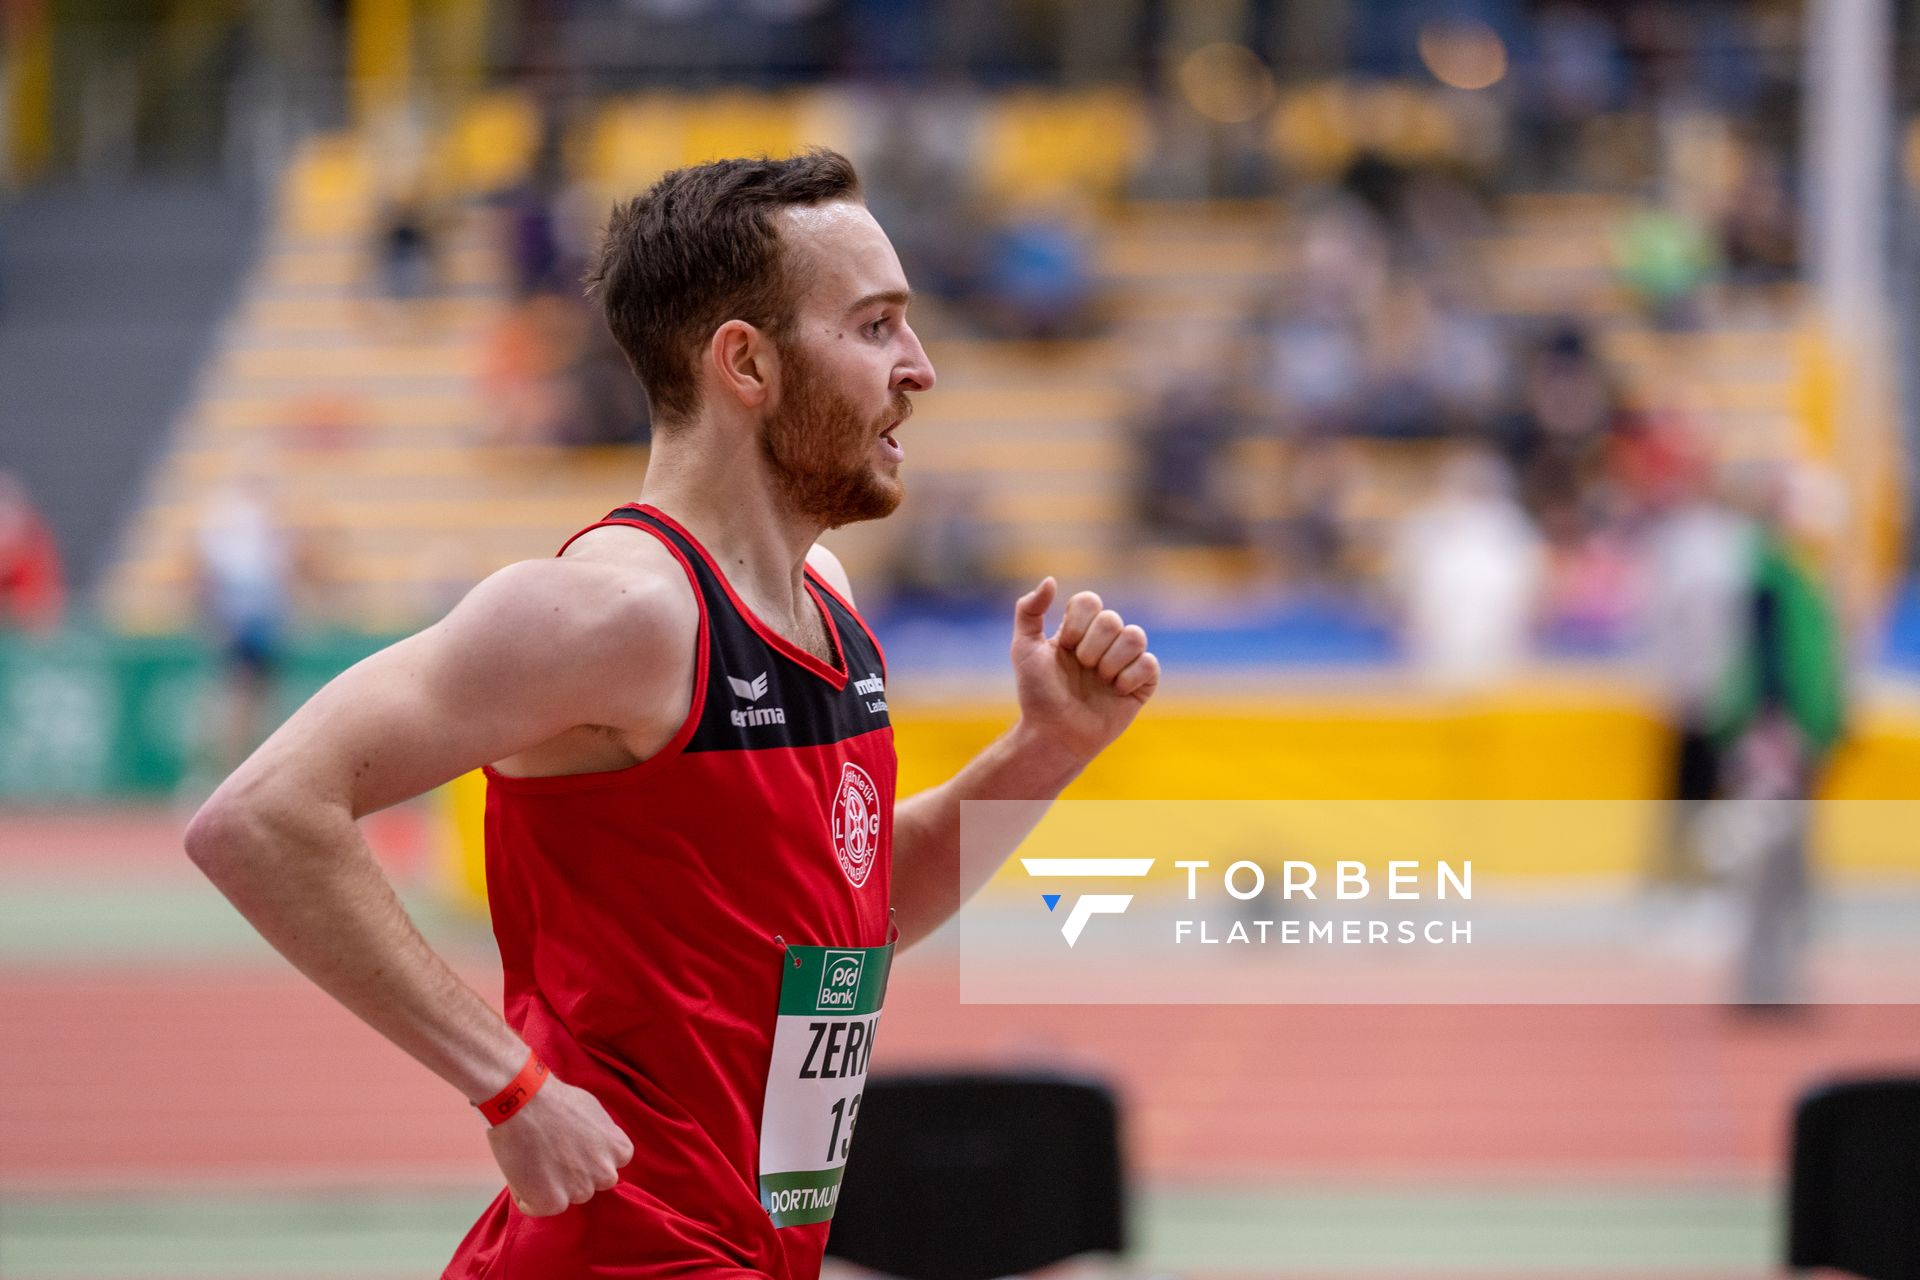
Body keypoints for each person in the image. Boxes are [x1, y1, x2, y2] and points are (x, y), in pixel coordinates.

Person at [183, 150, 1159, 1280]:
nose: (921, 368)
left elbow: (859, 912)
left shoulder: (826, 607)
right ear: (746, 361)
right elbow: (258, 816)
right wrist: (507, 1082)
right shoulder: (615, 610)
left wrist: (1047, 749)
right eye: (878, 325)